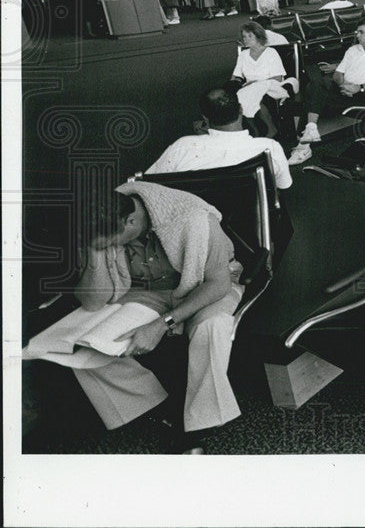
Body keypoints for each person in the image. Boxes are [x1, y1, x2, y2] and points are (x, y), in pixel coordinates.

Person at [70, 181, 245, 452]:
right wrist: (95, 253)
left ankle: (200, 423)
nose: (108, 247)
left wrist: (162, 324)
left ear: (130, 221)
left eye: (109, 243)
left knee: (212, 327)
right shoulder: (100, 225)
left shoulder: (197, 220)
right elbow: (93, 302)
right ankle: (166, 408)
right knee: (84, 349)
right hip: (147, 293)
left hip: (202, 287)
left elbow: (217, 284)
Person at [290, 16, 365, 165]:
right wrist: (343, 84)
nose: (357, 35)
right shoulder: (353, 50)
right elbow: (338, 73)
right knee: (315, 84)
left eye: (361, 32)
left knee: (313, 97)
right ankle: (310, 131)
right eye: (357, 32)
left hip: (360, 95)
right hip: (341, 90)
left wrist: (359, 88)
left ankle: (304, 144)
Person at [148, 87, 292, 189]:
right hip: (254, 225)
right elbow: (283, 185)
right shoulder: (268, 147)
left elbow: (149, 183)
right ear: (241, 109)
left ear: (205, 117)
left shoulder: (183, 147)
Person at [229, 22, 290, 138]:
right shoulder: (243, 55)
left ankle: (270, 129)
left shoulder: (271, 52)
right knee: (241, 94)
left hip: (272, 85)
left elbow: (277, 78)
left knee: (249, 93)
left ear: (258, 36)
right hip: (250, 87)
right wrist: (232, 87)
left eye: (249, 36)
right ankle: (254, 130)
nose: (246, 39)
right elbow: (236, 75)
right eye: (244, 37)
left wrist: (255, 83)